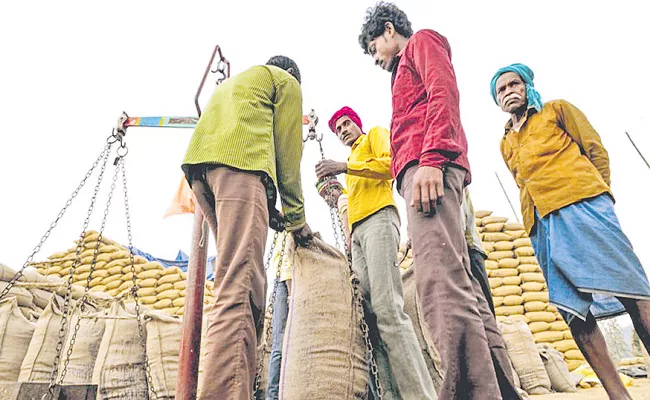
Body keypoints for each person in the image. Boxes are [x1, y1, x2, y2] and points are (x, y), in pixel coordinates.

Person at [358, 3, 520, 399]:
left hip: (430, 169)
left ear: (390, 29)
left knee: (440, 287)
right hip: (426, 173)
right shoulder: (401, 71)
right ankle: (499, 390)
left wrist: (431, 159)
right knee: (462, 287)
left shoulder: (422, 43)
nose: (375, 58)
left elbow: (443, 93)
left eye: (373, 46)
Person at [491, 62, 650, 400]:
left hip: (584, 205)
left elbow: (595, 149)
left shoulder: (556, 110)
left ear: (527, 85)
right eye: (501, 90)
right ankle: (618, 395)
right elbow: (522, 182)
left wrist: (598, 197)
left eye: (513, 84)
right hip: (542, 224)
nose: (509, 92)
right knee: (573, 313)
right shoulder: (505, 142)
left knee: (633, 291)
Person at [181, 55, 312, 400]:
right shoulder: (285, 82)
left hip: (203, 176)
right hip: (239, 171)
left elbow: (242, 137)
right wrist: (297, 219)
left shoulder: (237, 85)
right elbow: (288, 153)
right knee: (242, 290)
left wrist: (269, 211)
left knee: (232, 284)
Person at [315, 106, 436, 399]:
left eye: (346, 124)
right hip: (358, 234)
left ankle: (421, 395)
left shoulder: (373, 137)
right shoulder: (352, 161)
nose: (343, 130)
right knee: (369, 316)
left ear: (357, 124)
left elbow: (390, 165)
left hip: (379, 220)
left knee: (388, 309)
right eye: (338, 129)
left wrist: (344, 168)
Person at [266, 231, 294, 400]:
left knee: (281, 342)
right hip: (285, 284)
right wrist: (291, 293)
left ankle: (277, 393)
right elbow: (286, 264)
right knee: (281, 344)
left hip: (280, 283)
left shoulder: (282, 230)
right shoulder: (289, 230)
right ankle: (273, 395)